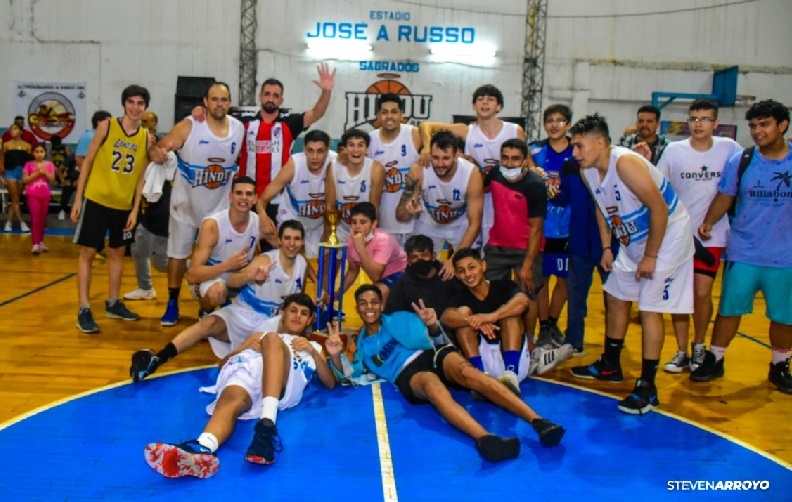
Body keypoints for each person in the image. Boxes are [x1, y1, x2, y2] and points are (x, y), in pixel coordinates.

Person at [331, 284, 565, 463]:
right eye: (363, 303)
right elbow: (347, 375)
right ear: (357, 308)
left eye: (374, 302)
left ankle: (539, 421)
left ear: (382, 305)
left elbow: (436, 339)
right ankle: (486, 440)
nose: (369, 307)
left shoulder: (402, 318)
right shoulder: (362, 347)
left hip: (431, 354)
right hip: (407, 373)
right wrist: (334, 355)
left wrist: (432, 325)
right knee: (432, 385)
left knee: (470, 373)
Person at [568, 114, 694, 415]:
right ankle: (611, 364)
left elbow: (659, 209)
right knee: (616, 294)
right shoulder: (588, 171)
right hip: (632, 238)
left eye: (579, 146)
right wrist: (607, 246)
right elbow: (602, 209)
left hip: (667, 238)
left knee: (649, 307)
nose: (575, 153)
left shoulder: (625, 163)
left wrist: (651, 256)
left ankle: (648, 386)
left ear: (600, 142)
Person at [144, 294, 340, 477]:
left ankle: (267, 426)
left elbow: (330, 383)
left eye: (304, 313)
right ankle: (203, 448)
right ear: (283, 312)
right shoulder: (259, 335)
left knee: (271, 338)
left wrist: (314, 353)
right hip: (250, 369)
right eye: (293, 310)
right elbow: (222, 365)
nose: (297, 316)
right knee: (230, 402)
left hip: (284, 380)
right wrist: (245, 348)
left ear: (310, 320)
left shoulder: (313, 347)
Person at [691, 99, 792, 394]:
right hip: (744, 251)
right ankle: (716, 358)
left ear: (782, 125)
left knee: (784, 316)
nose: (757, 131)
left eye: (764, 125)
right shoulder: (742, 160)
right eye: (753, 125)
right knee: (729, 309)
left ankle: (779, 365)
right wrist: (709, 222)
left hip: (785, 255)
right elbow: (726, 195)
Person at [129, 220, 310, 381]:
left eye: (296, 239)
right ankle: (158, 358)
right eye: (287, 238)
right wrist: (250, 276)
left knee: (286, 333)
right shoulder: (265, 260)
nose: (291, 243)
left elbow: (298, 302)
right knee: (207, 324)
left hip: (269, 322)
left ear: (302, 242)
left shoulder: (302, 264)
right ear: (280, 240)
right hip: (243, 313)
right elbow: (231, 281)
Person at [656, 99, 742, 373]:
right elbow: (659, 189)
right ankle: (681, 351)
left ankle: (699, 345)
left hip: (712, 236)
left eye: (705, 119)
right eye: (694, 118)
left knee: (702, 293)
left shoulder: (730, 149)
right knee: (680, 294)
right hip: (679, 235)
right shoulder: (673, 152)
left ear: (716, 123)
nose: (698, 124)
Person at [149, 82, 245, 327]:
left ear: (230, 103)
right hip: (185, 205)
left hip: (218, 207)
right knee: (178, 255)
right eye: (214, 99)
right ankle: (173, 302)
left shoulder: (239, 128)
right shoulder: (190, 125)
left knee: (216, 258)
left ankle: (208, 303)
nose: (219, 104)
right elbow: (161, 147)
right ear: (205, 101)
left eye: (223, 99)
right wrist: (156, 153)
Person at [70, 85, 151, 333]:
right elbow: (88, 162)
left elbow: (141, 177)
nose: (135, 107)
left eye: (140, 103)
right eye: (131, 102)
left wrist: (135, 209)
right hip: (96, 200)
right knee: (88, 252)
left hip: (123, 206)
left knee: (118, 253)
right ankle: (84, 308)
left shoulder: (146, 137)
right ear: (124, 104)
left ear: (145, 107)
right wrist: (78, 199)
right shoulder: (106, 126)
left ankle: (113, 302)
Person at [442, 248, 573, 395]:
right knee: (462, 317)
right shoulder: (459, 295)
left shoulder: (504, 286)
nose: (468, 274)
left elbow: (523, 302)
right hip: (482, 362)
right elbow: (445, 318)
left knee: (509, 313)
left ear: (483, 266)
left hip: (511, 360)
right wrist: (473, 321)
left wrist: (491, 317)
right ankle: (479, 377)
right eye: (461, 271)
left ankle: (512, 373)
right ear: (457, 275)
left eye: (472, 267)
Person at [238, 64, 335, 247]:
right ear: (260, 97)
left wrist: (326, 92)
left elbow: (316, 113)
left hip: (277, 199)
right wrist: (200, 112)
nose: (270, 99)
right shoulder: (243, 123)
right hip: (247, 198)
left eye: (275, 96)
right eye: (267, 94)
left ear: (281, 100)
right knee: (244, 249)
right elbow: (218, 121)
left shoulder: (289, 123)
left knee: (275, 251)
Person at [419, 84, 527, 247]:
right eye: (480, 99)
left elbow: (528, 163)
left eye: (490, 99)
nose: (485, 103)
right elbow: (426, 126)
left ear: (499, 106)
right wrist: (427, 147)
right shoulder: (467, 130)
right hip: (479, 197)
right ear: (474, 106)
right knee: (478, 248)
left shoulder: (514, 130)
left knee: (504, 246)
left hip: (506, 197)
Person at [396, 130, 484, 279]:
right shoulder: (419, 170)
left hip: (460, 225)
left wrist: (453, 260)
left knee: (468, 268)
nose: (440, 164)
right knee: (418, 268)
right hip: (429, 223)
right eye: (435, 158)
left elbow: (475, 223)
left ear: (456, 155)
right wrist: (409, 209)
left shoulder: (471, 174)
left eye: (446, 158)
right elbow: (400, 216)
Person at [530, 105, 575, 348]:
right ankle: (544, 325)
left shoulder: (577, 151)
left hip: (568, 227)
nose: (554, 125)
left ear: (568, 124)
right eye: (550, 120)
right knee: (541, 280)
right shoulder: (535, 151)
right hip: (541, 227)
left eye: (560, 120)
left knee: (565, 279)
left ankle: (553, 322)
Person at [184, 176, 260, 315]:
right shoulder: (212, 225)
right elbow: (191, 276)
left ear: (255, 199)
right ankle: (205, 312)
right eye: (239, 193)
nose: (244, 198)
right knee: (217, 291)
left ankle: (231, 307)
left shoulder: (259, 223)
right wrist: (227, 266)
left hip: (238, 281)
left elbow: (284, 247)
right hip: (210, 280)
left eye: (249, 194)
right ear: (230, 196)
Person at [256, 129, 336, 257]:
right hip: (292, 216)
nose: (314, 157)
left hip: (320, 222)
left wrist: (327, 233)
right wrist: (263, 216)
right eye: (310, 150)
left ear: (328, 150)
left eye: (320, 151)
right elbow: (262, 199)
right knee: (289, 255)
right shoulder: (294, 165)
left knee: (319, 259)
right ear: (304, 149)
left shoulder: (335, 163)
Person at [368, 93, 423, 246]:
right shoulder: (371, 140)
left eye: (394, 112)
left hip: (415, 220)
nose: (389, 116)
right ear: (378, 115)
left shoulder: (414, 134)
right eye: (384, 112)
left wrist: (426, 151)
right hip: (385, 222)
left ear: (401, 114)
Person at [324, 128, 385, 245]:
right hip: (340, 230)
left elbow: (374, 209)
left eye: (360, 145)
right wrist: (326, 238)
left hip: (365, 231)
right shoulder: (334, 166)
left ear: (367, 149)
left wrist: (372, 239)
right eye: (351, 145)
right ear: (345, 149)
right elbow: (330, 206)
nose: (356, 150)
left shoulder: (376, 169)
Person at [340, 202, 407, 305]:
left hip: (402, 273)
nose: (357, 227)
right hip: (382, 278)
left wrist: (361, 249)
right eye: (354, 222)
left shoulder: (384, 240)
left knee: (376, 294)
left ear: (374, 224)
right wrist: (339, 293)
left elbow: (375, 276)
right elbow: (353, 270)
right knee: (367, 296)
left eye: (363, 222)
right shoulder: (350, 241)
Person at [22, 144, 55, 253]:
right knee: (35, 218)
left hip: (45, 194)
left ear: (45, 153)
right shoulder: (28, 164)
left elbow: (52, 179)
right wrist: (36, 174)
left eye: (41, 151)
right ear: (33, 153)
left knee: (42, 219)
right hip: (33, 193)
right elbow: (25, 180)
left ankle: (40, 241)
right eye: (36, 151)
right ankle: (35, 243)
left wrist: (44, 172)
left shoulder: (49, 165)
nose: (39, 154)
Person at [1, 123, 32, 232]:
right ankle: (21, 222)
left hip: (22, 174)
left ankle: (8, 222)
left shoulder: (27, 146)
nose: (12, 131)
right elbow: (1, 161)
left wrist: (28, 178)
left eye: (15, 129)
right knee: (15, 199)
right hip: (10, 173)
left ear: (21, 131)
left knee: (16, 199)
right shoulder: (6, 145)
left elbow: (29, 164)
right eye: (11, 129)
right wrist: (1, 177)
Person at [50, 135, 77, 220]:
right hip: (60, 172)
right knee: (63, 187)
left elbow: (68, 161)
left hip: (71, 174)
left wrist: (65, 173)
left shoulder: (66, 148)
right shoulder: (52, 148)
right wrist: (62, 180)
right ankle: (62, 210)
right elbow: (52, 161)